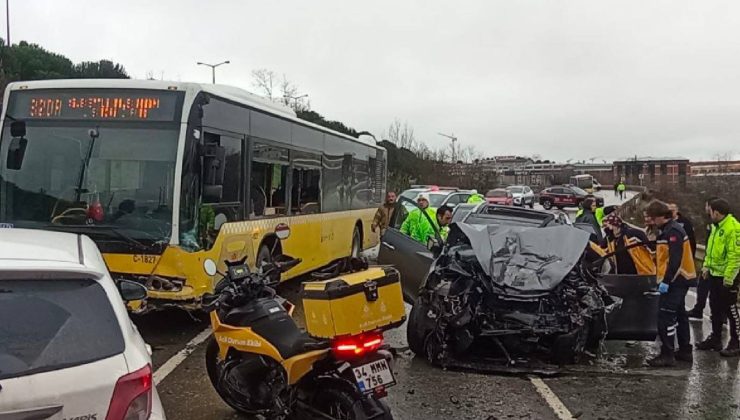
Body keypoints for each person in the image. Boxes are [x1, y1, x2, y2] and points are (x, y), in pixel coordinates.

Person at [644, 200, 697, 367]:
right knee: (681, 315)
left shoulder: (673, 231)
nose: (651, 221)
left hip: (676, 280)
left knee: (665, 317)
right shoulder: (666, 230)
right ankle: (684, 350)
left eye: (652, 218)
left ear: (661, 217)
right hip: (679, 279)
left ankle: (667, 354)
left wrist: (666, 281)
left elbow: (674, 260)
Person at [695, 198, 740, 357]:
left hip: (727, 278)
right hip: (714, 275)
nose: (709, 213)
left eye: (711, 211)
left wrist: (729, 278)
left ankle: (736, 342)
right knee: (715, 308)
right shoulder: (716, 226)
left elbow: (735, 256)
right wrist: (706, 266)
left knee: (731, 311)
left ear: (717, 212)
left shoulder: (733, 228)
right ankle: (715, 338)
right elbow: (710, 250)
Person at [687, 197, 719, 319]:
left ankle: (720, 317)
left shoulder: (720, 225)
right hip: (708, 261)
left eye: (707, 206)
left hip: (716, 265)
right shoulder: (709, 221)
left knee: (715, 294)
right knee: (702, 288)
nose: (705, 208)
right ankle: (699, 309)